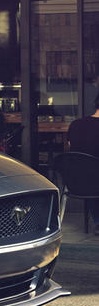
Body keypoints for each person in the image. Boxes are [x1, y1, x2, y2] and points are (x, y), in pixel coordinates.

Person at [66, 93, 99, 233]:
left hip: (75, 183)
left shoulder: (76, 124)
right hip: (94, 184)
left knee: (91, 172)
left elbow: (69, 146)